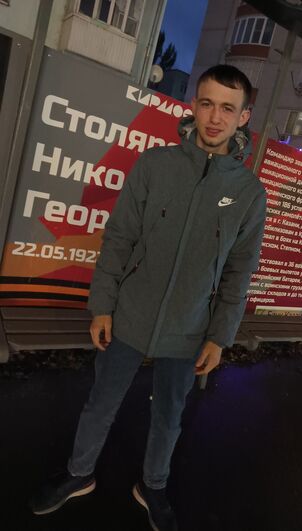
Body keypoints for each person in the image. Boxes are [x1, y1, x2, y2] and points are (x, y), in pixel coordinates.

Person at [30, 64, 266, 530]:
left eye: (227, 108)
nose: (214, 117)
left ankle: (153, 486)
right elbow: (119, 237)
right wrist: (102, 306)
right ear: (194, 106)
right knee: (101, 401)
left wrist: (219, 337)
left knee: (169, 414)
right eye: (206, 104)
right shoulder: (155, 164)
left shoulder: (248, 194)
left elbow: (239, 271)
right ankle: (79, 474)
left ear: (243, 117)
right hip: (130, 314)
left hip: (190, 327)